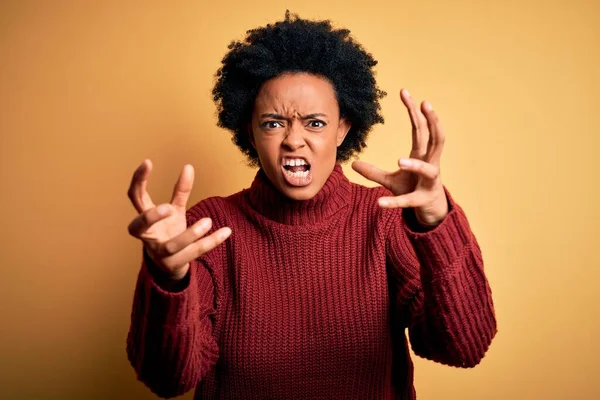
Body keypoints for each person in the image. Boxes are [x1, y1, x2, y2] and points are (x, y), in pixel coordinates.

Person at [126, 11, 497, 400]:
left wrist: (438, 221)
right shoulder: (208, 229)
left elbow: (464, 347)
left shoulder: (383, 218)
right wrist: (168, 281)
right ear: (250, 132)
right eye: (272, 123)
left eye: (315, 123)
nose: (293, 140)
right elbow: (168, 380)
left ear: (343, 129)